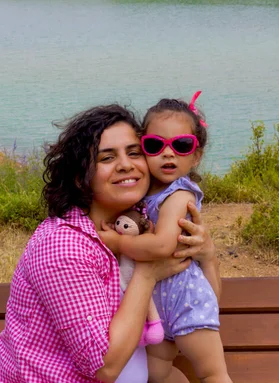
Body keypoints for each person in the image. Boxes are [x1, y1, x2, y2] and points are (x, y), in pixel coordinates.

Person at [0, 104, 217, 383]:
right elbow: (102, 368)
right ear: (80, 176)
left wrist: (208, 257)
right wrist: (147, 272)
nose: (125, 164)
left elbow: (205, 306)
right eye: (107, 158)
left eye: (134, 152)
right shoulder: (64, 246)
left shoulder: (140, 227)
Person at [99, 92, 233, 383]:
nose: (168, 153)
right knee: (158, 375)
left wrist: (118, 242)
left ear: (196, 155)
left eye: (182, 145)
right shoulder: (144, 194)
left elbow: (162, 246)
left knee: (212, 373)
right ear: (142, 147)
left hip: (187, 304)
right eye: (155, 145)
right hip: (157, 308)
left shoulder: (179, 194)